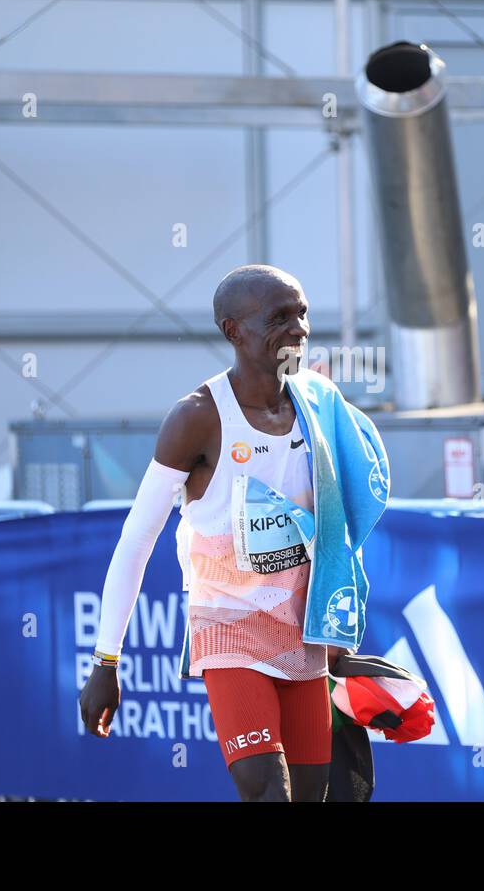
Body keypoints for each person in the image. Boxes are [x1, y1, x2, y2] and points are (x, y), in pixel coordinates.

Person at [80, 265, 388, 802]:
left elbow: (342, 521)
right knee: (267, 790)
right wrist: (106, 660)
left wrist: (338, 628)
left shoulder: (317, 404)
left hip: (303, 629)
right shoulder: (198, 417)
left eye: (302, 314)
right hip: (228, 628)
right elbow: (137, 538)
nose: (298, 330)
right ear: (233, 331)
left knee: (311, 796)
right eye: (279, 318)